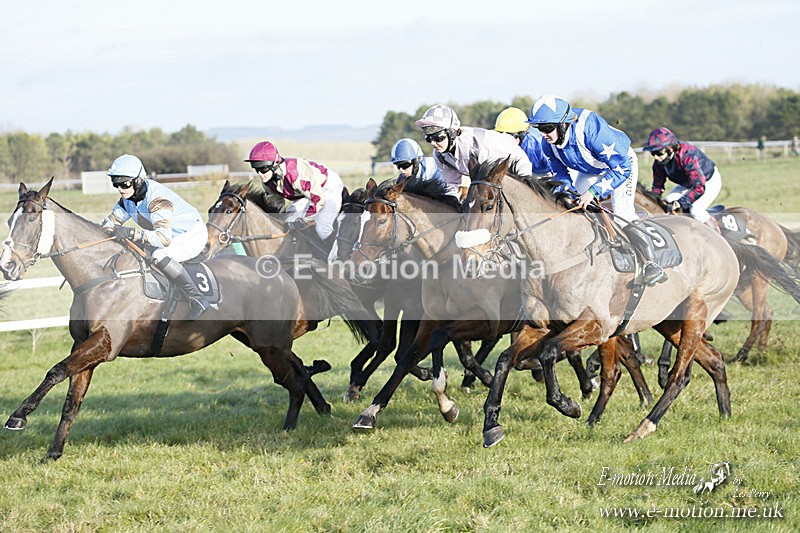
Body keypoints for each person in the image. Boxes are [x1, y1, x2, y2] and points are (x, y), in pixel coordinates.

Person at [527, 94, 666, 285]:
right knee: (575, 207)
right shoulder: (548, 144)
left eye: (547, 128)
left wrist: (593, 192)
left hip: (620, 163)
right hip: (589, 168)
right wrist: (567, 195)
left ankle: (651, 263)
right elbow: (561, 175)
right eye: (538, 128)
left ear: (563, 124)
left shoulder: (590, 129)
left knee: (622, 211)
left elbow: (621, 167)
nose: (543, 134)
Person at [102, 154, 210, 319]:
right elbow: (109, 223)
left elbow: (163, 239)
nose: (120, 189)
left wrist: (131, 233)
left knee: (159, 254)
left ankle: (197, 298)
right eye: (115, 184)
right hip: (169, 235)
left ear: (138, 180)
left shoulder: (158, 199)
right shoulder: (127, 199)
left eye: (124, 183)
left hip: (191, 234)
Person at [414, 104, 534, 202]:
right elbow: (452, 185)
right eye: (428, 138)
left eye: (438, 137)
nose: (434, 143)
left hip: (516, 165)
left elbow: (490, 183)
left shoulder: (477, 146)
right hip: (492, 176)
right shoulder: (440, 156)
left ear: (452, 132)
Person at [245, 140, 344, 250]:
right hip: (304, 193)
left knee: (322, 228)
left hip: (327, 186)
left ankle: (336, 255)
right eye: (256, 169)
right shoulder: (268, 182)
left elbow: (318, 199)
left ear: (274, 164)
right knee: (289, 222)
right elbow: (277, 205)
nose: (259, 174)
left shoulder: (294, 173)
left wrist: (303, 221)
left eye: (263, 169)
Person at [642, 127, 722, 232]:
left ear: (670, 148)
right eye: (653, 153)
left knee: (696, 210)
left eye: (659, 153)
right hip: (688, 183)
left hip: (708, 182)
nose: (656, 157)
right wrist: (653, 201)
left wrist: (681, 202)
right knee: (666, 204)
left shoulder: (687, 156)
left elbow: (699, 188)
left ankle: (718, 237)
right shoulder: (658, 164)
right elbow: (657, 187)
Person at [494, 107, 553, 177]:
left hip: (546, 174)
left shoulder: (538, 145)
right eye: (501, 135)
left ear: (520, 135)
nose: (505, 141)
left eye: (509, 137)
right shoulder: (500, 145)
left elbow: (556, 168)